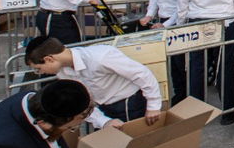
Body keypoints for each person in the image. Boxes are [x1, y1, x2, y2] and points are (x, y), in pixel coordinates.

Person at [25, 33, 162, 128]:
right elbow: (81, 102)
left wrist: (153, 106)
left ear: (49, 59)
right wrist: (103, 121)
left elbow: (142, 74)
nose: (41, 73)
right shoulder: (63, 72)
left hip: (129, 104)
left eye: (39, 68)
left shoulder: (101, 56)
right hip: (100, 109)